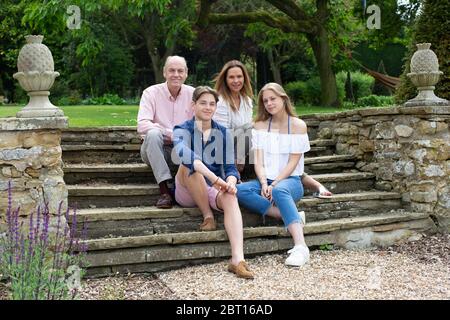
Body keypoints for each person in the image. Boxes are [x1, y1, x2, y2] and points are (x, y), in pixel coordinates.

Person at [213, 60, 332, 198]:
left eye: (239, 76)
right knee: (252, 129)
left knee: (275, 157)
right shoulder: (221, 101)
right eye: (231, 77)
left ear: (244, 78)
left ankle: (317, 186)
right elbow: (223, 134)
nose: (236, 80)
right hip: (226, 148)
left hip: (244, 145)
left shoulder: (246, 100)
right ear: (225, 79)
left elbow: (249, 133)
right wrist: (236, 157)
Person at [173, 86, 254, 279]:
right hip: (186, 190)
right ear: (193, 105)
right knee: (189, 166)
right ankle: (208, 217)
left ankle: (237, 260)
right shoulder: (181, 129)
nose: (208, 107)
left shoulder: (223, 132)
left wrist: (231, 182)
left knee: (231, 196)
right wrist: (215, 179)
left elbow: (231, 168)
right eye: (203, 103)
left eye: (212, 104)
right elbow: (185, 155)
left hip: (211, 189)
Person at [237, 83, 310, 267]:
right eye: (265, 100)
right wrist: (263, 183)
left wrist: (275, 183)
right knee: (238, 191)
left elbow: (293, 162)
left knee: (279, 192)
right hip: (265, 180)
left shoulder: (298, 126)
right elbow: (259, 161)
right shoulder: (260, 125)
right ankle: (286, 214)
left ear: (283, 98)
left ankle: (301, 247)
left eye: (273, 99)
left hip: (290, 181)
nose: (269, 103)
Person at [137, 56, 194, 209]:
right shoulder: (151, 93)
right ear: (164, 73)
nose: (176, 74)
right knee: (153, 133)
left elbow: (201, 124)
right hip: (154, 149)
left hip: (180, 150)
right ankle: (165, 192)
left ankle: (186, 189)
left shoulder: (193, 95)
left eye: (180, 71)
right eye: (172, 70)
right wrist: (171, 133)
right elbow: (142, 125)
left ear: (186, 73)